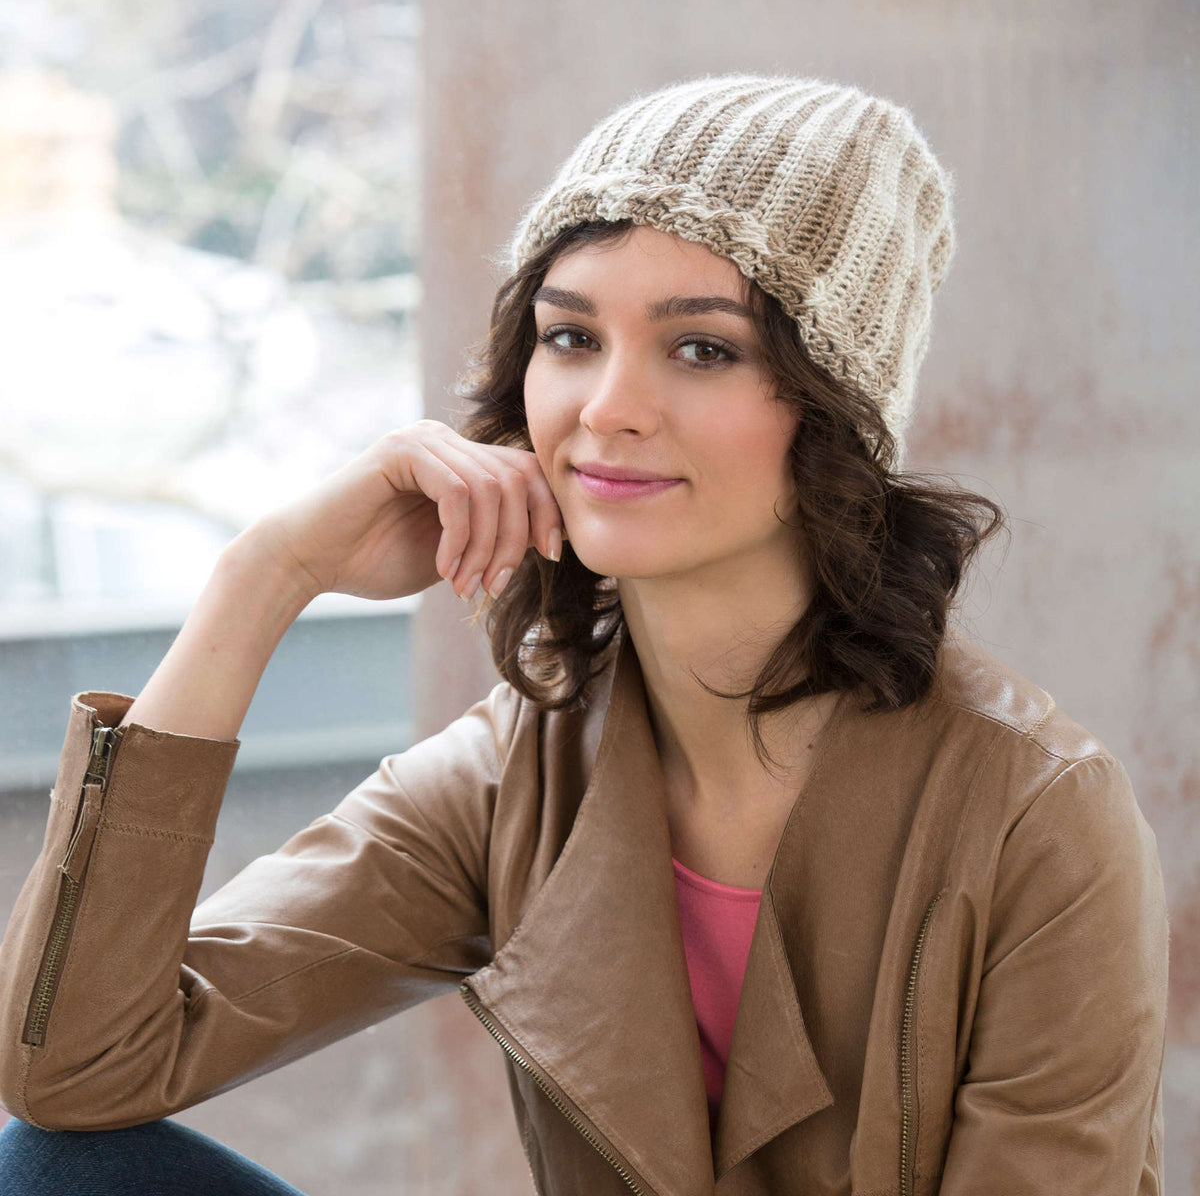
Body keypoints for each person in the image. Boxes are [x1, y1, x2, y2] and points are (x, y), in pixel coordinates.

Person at [0, 74, 1169, 1196]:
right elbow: (75, 1068)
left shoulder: (1034, 817)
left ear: (833, 412)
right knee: (54, 1172)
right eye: (570, 337)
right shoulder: (520, 770)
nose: (608, 406)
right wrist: (267, 575)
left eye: (702, 347)